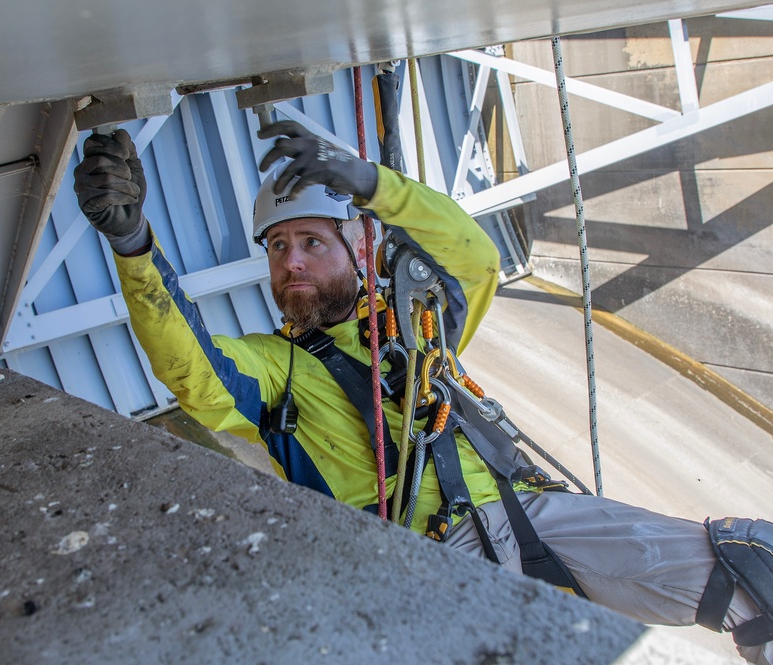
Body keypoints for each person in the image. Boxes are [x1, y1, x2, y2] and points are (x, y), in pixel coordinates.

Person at [73, 120, 773, 663]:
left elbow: (475, 261)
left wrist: (372, 183)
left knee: (754, 563)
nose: (291, 263)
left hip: (530, 512)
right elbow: (189, 365)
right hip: (427, 557)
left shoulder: (417, 319)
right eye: (278, 248)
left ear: (360, 248)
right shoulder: (271, 370)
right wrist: (135, 244)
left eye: (312, 242)